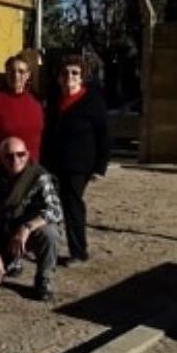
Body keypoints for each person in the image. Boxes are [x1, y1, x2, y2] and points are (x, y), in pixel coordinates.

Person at [42, 55, 109, 265]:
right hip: (53, 163)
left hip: (79, 166)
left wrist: (100, 166)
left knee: (72, 206)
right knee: (48, 205)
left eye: (74, 73)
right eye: (65, 73)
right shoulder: (53, 101)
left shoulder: (92, 101)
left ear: (82, 76)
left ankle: (78, 251)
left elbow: (104, 135)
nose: (69, 76)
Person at [0, 137, 63, 301]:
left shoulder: (39, 176)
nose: (15, 160)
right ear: (1, 158)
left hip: (28, 231)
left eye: (20, 154)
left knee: (50, 233)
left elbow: (56, 210)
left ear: (27, 154)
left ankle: (43, 280)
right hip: (3, 231)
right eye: (9, 156)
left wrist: (26, 228)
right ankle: (10, 263)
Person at [0, 54, 43, 169]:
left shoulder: (36, 102)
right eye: (12, 71)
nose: (16, 75)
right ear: (6, 73)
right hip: (1, 166)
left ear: (28, 75)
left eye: (21, 72)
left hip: (30, 167)